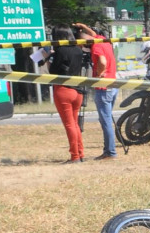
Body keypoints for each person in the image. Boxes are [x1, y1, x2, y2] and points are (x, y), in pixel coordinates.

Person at [74, 23, 118, 159]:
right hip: (113, 84)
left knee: (105, 122)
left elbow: (102, 62)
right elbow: (92, 34)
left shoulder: (96, 46)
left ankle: (110, 152)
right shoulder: (101, 40)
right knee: (107, 119)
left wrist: (99, 73)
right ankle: (109, 150)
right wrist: (83, 26)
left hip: (103, 88)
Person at [47, 25, 89, 162]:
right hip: (77, 90)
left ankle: (74, 156)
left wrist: (49, 58)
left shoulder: (60, 51)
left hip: (63, 90)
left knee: (69, 125)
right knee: (75, 124)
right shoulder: (78, 49)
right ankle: (80, 153)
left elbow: (52, 72)